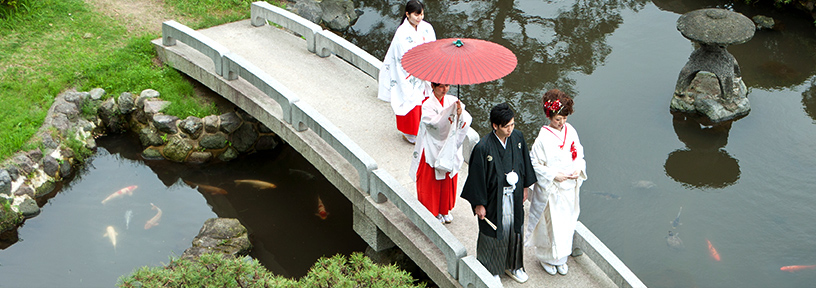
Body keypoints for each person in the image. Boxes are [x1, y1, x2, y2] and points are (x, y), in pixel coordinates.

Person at [461, 103, 536, 284]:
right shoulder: (483, 147)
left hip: (514, 194)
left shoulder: (517, 138)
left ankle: (513, 265)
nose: (510, 129)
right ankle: (490, 269)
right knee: (493, 231)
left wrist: (525, 187)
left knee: (514, 229)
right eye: (506, 126)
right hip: (494, 199)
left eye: (512, 124)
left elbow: (524, 163)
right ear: (495, 126)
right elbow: (477, 177)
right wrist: (479, 203)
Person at [525, 89, 586, 276]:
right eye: (558, 119)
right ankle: (547, 258)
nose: (561, 123)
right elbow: (534, 163)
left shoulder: (571, 131)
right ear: (549, 116)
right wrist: (553, 175)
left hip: (569, 186)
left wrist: (578, 168)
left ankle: (562, 258)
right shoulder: (542, 138)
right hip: (552, 188)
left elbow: (579, 154)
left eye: (564, 119)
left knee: (566, 223)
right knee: (550, 225)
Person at [409, 83, 472, 224]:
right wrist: (450, 114)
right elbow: (434, 126)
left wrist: (459, 114)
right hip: (433, 146)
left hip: (449, 146)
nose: (444, 90)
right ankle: (432, 211)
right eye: (441, 86)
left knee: (447, 179)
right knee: (432, 180)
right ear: (433, 85)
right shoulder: (427, 105)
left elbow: (465, 121)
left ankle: (444, 209)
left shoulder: (453, 101)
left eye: (447, 86)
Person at [377, 0, 436, 144]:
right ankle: (410, 133)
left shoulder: (426, 28)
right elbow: (401, 57)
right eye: (416, 14)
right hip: (409, 72)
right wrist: (418, 67)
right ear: (407, 14)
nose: (419, 18)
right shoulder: (401, 33)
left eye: (421, 14)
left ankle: (424, 129)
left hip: (425, 70)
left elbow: (432, 46)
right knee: (410, 101)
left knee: (426, 102)